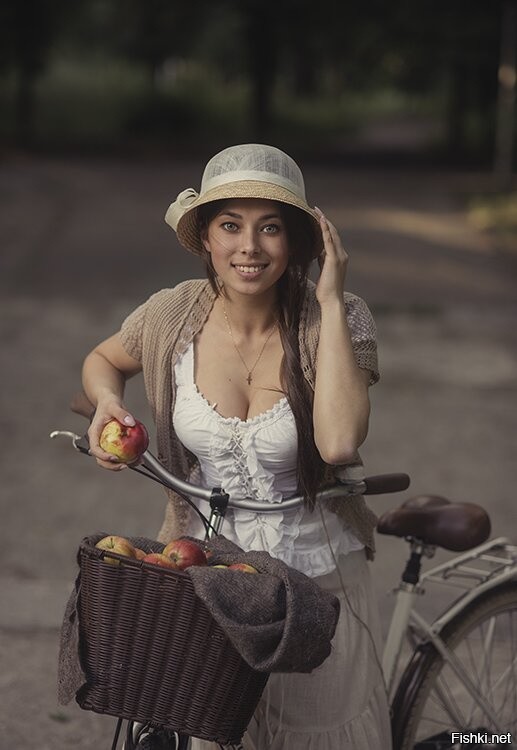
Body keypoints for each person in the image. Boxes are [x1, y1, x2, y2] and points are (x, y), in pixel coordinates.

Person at [81, 143, 391, 749]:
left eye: (270, 228)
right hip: (207, 576)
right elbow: (103, 358)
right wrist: (105, 402)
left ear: (299, 242)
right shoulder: (171, 315)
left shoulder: (341, 318)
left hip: (315, 579)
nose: (249, 247)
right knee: (207, 731)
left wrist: (328, 299)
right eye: (230, 225)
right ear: (205, 238)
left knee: (314, 736)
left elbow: (338, 441)